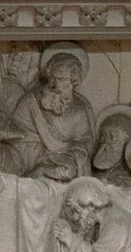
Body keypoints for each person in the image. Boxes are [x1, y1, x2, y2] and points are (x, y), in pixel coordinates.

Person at [11, 49, 96, 181]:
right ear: (50, 77)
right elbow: (16, 137)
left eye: (66, 80)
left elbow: (85, 141)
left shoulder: (80, 108)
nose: (61, 84)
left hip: (65, 159)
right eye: (57, 78)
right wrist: (46, 154)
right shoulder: (30, 101)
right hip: (30, 157)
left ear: (74, 81)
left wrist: (72, 152)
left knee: (68, 171)